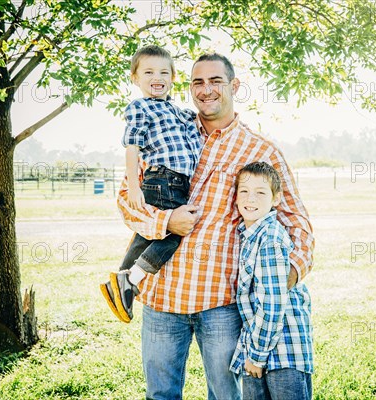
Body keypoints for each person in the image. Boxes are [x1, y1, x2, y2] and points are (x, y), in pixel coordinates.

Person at [118, 53, 314, 400]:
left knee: (226, 395)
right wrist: (166, 221)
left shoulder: (260, 150)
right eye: (198, 82)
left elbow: (297, 225)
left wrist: (280, 281)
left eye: (216, 81)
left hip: (220, 304)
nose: (206, 90)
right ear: (189, 87)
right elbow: (127, 201)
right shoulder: (164, 131)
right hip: (162, 297)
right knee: (160, 395)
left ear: (234, 86)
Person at [100, 45, 202, 323]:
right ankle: (131, 279)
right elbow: (132, 146)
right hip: (162, 178)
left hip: (174, 182)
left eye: (163, 72)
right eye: (148, 72)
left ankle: (119, 282)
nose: (157, 77)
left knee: (149, 235)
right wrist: (134, 185)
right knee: (174, 232)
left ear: (172, 77)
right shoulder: (140, 106)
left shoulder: (175, 111)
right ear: (135, 78)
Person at [229, 162, 313, 400]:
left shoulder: (270, 238)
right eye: (244, 191)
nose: (251, 198)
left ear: (275, 199)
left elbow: (274, 303)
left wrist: (256, 355)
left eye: (260, 192)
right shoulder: (249, 234)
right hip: (262, 348)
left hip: (283, 351)